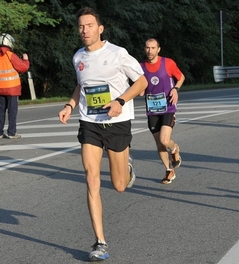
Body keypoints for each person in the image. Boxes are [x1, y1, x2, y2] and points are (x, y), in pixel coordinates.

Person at [58, 7, 147, 262]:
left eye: (89, 25)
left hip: (117, 122)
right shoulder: (78, 57)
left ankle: (127, 167)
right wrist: (70, 105)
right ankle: (100, 242)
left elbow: (140, 82)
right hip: (90, 124)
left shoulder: (117, 53)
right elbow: (81, 85)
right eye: (80, 26)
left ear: (100, 28)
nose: (84, 30)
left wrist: (120, 100)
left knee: (119, 186)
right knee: (91, 178)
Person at [140, 38, 185, 184]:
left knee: (164, 140)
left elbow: (181, 77)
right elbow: (140, 89)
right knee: (159, 144)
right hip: (152, 109)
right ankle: (168, 170)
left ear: (158, 49)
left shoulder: (168, 63)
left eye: (153, 48)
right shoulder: (140, 67)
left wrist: (176, 89)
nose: (150, 51)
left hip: (168, 106)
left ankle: (174, 149)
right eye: (147, 48)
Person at [0, 33, 30, 139]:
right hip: (12, 88)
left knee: (0, 111)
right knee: (12, 111)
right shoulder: (10, 55)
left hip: (0, 88)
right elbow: (23, 67)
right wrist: (26, 59)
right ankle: (11, 132)